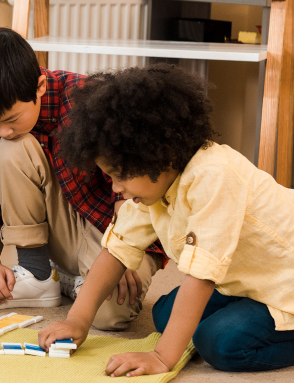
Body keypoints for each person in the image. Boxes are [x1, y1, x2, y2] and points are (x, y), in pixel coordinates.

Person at [39, 64, 294, 376]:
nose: (116, 188)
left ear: (161, 155)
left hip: (286, 286)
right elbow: (116, 251)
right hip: (248, 281)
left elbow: (201, 277)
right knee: (164, 313)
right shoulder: (153, 185)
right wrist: (76, 320)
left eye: (120, 176)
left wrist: (161, 357)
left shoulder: (214, 176)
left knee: (221, 343)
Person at [0, 27, 164, 331]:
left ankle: (70, 280)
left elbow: (129, 192)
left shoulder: (88, 100)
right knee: (10, 150)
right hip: (63, 227)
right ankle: (37, 275)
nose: (1, 132)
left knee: (109, 315)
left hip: (118, 226)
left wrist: (124, 250)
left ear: (39, 87)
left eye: (10, 120)